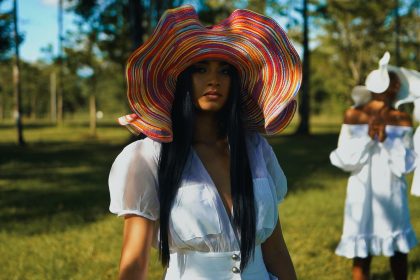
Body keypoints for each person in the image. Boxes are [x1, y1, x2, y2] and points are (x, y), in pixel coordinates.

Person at [108, 5, 302, 280]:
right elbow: (135, 263)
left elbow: (276, 251)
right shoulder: (147, 156)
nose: (214, 80)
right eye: (201, 69)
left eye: (225, 72)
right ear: (182, 79)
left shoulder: (256, 150)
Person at [330, 68, 417, 280]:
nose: (396, 88)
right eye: (392, 83)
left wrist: (386, 140)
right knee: (362, 252)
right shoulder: (354, 115)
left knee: (398, 251)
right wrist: (368, 138)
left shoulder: (402, 118)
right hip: (362, 191)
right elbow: (342, 158)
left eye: (397, 84)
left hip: (392, 191)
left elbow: (408, 164)